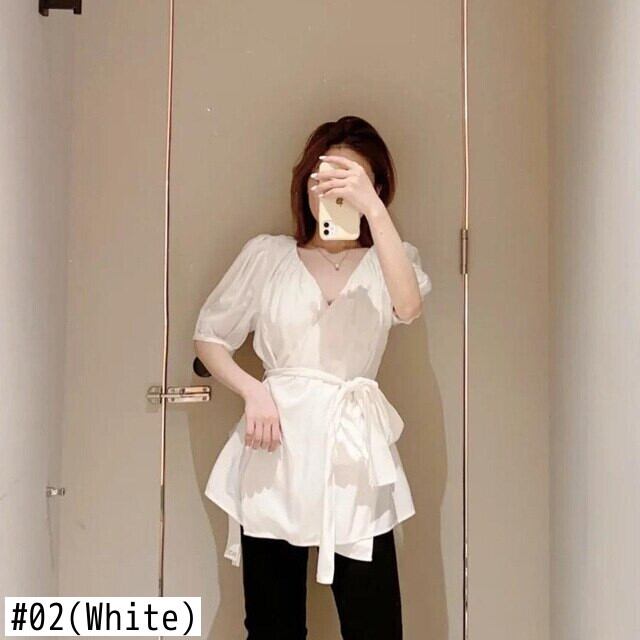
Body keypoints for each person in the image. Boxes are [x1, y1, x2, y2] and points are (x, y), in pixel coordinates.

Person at [193, 115, 432, 639]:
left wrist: (372, 209)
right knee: (272, 626)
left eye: (350, 179)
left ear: (377, 186)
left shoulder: (391, 260)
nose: (332, 191)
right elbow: (209, 336)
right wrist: (253, 390)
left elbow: (409, 307)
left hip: (355, 452)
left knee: (375, 625)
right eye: (322, 178)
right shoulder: (269, 256)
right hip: (273, 444)